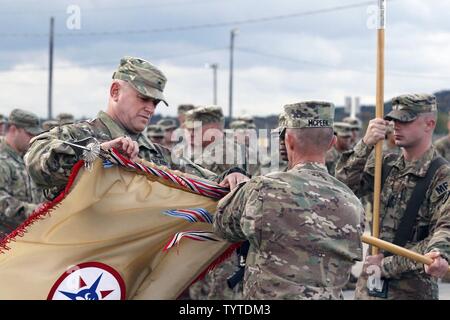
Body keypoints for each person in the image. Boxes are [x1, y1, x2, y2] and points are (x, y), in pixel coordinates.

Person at [24, 56, 248, 200]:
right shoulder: (77, 135)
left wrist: (231, 176)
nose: (150, 108)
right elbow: (37, 162)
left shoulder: (156, 154)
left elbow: (201, 179)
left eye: (155, 103)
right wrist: (97, 153)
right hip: (86, 266)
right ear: (115, 92)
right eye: (143, 98)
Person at [214, 101, 364, 299]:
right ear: (332, 143)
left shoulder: (261, 189)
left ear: (289, 140)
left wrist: (237, 184)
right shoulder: (353, 203)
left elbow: (221, 225)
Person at [336, 94, 450, 300]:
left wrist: (387, 265)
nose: (396, 126)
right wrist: (365, 144)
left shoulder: (442, 175)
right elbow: (340, 189)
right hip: (369, 289)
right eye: (394, 120)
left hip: (411, 291)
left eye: (405, 120)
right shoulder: (386, 163)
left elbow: (442, 233)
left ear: (429, 124)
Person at [0, 109, 45, 239]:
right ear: (14, 130)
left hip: (23, 236)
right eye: (30, 134)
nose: (33, 139)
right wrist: (32, 210)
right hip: (5, 241)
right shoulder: (2, 159)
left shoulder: (24, 157)